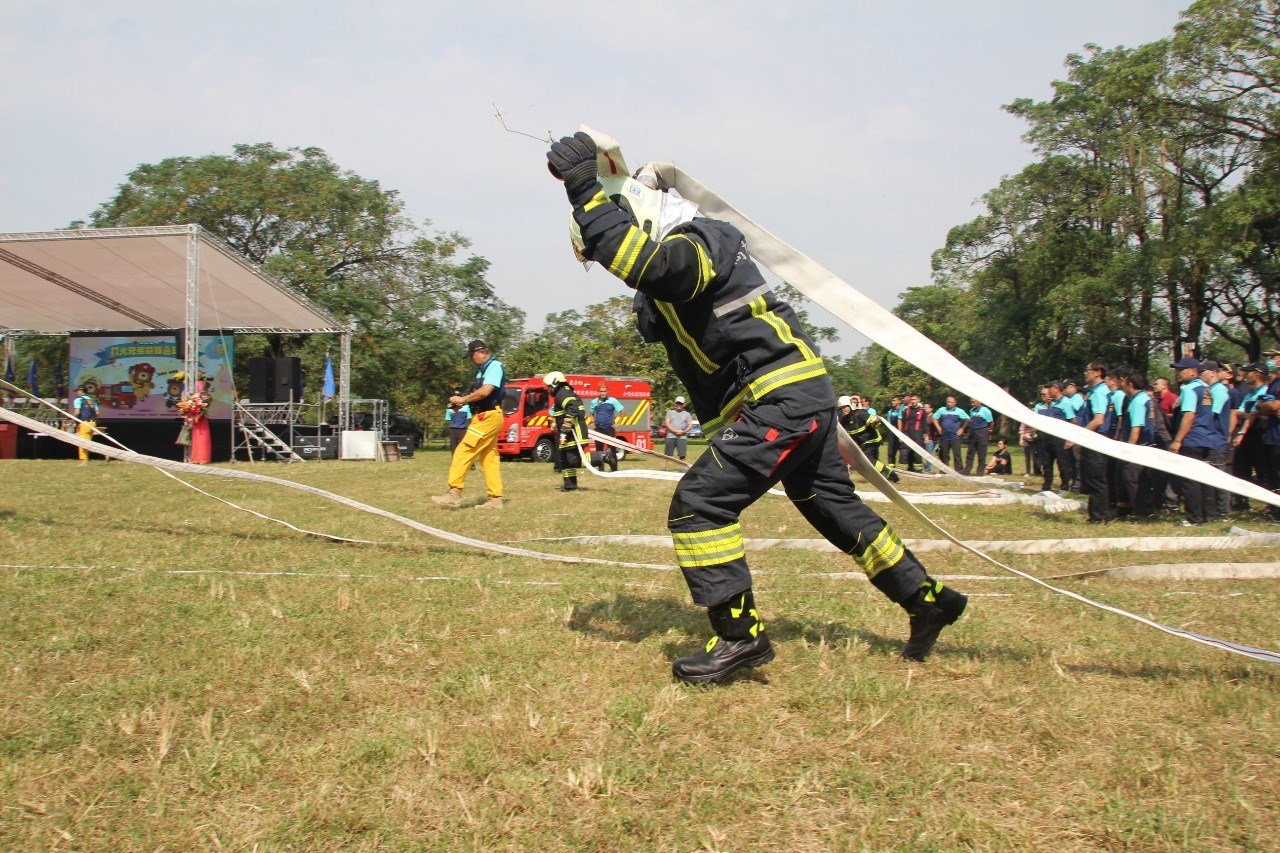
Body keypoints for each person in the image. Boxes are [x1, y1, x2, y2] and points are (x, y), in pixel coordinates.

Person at [547, 129, 966, 683]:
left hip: (780, 396)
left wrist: (585, 190)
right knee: (832, 507)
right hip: (788, 396)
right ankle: (927, 599)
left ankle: (739, 640)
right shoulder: (665, 276)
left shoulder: (706, 238)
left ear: (637, 214)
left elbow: (655, 267)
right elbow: (650, 290)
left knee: (698, 505)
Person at [432, 340, 505, 510]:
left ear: (481, 352)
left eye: (472, 356)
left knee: (463, 450)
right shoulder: (482, 370)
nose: (471, 360)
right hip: (488, 415)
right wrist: (462, 404)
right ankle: (495, 500)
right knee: (489, 458)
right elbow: (478, 395)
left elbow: (486, 391)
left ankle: (454, 492)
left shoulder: (494, 366)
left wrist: (463, 399)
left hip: (488, 417)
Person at [1168, 356, 1226, 525]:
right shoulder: (1207, 389)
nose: (1178, 373)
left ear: (1193, 371)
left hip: (1192, 439)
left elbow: (1189, 415)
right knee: (1204, 480)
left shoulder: (1189, 389)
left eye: (1181, 369)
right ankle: (1210, 515)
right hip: (1207, 439)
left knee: (1190, 480)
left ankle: (1194, 518)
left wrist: (1177, 440)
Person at [1072, 360, 1114, 523]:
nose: (1085, 373)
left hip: (1096, 440)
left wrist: (1080, 437)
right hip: (1095, 440)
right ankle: (1095, 514)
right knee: (1094, 478)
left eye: (1087, 370)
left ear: (1097, 372)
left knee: (1097, 480)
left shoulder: (1098, 393)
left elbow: (1098, 420)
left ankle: (1099, 516)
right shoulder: (1097, 391)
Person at [544, 372, 589, 491]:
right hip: (567, 433)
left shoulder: (562, 394)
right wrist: (557, 424)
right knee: (564, 459)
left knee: (572, 460)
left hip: (574, 433)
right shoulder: (562, 393)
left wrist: (566, 425)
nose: (548, 390)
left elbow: (572, 407)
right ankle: (569, 485)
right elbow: (563, 413)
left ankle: (603, 456)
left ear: (555, 384)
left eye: (548, 387)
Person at [589, 382, 623, 472]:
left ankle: (614, 469)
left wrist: (619, 423)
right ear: (598, 392)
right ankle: (601, 469)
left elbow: (623, 410)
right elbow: (591, 413)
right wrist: (592, 421)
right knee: (599, 450)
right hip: (598, 429)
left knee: (612, 449)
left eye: (604, 391)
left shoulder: (613, 401)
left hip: (609, 429)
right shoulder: (594, 402)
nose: (602, 393)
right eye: (601, 391)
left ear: (607, 391)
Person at [931, 396, 967, 470]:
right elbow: (934, 417)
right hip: (944, 436)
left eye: (950, 401)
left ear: (955, 403)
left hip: (955, 436)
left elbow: (968, 419)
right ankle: (945, 470)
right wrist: (938, 428)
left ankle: (959, 470)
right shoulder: (942, 410)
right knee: (944, 454)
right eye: (947, 401)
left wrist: (962, 429)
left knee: (957, 454)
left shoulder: (960, 411)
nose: (948, 403)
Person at [963, 398, 994, 475]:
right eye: (971, 402)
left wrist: (989, 431)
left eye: (973, 402)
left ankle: (980, 472)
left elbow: (991, 422)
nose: (972, 404)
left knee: (981, 453)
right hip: (973, 433)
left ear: (979, 402)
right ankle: (967, 470)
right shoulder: (971, 411)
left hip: (982, 432)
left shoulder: (985, 410)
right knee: (970, 452)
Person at [899, 394, 927, 472]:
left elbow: (925, 423)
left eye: (914, 399)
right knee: (904, 450)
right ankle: (904, 468)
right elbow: (903, 422)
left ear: (918, 400)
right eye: (911, 399)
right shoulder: (906, 410)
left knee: (916, 451)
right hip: (907, 433)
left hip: (918, 433)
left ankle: (918, 469)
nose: (912, 401)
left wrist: (926, 435)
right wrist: (901, 433)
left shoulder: (922, 410)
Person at [662, 396, 693, 468]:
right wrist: (674, 431)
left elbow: (690, 425)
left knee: (682, 454)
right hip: (670, 436)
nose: (679, 405)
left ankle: (682, 468)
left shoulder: (687, 414)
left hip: (682, 437)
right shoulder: (670, 412)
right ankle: (664, 467)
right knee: (667, 454)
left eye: (680, 403)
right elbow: (667, 423)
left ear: (683, 404)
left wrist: (683, 431)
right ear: (675, 404)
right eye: (677, 403)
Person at [72, 384, 99, 463]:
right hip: (92, 423)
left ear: (81, 391)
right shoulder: (92, 400)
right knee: (88, 443)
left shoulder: (78, 400)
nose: (76, 393)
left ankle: (84, 461)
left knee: (82, 442)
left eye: (77, 391)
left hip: (84, 423)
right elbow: (97, 413)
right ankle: (106, 453)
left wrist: (72, 419)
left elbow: (77, 412)